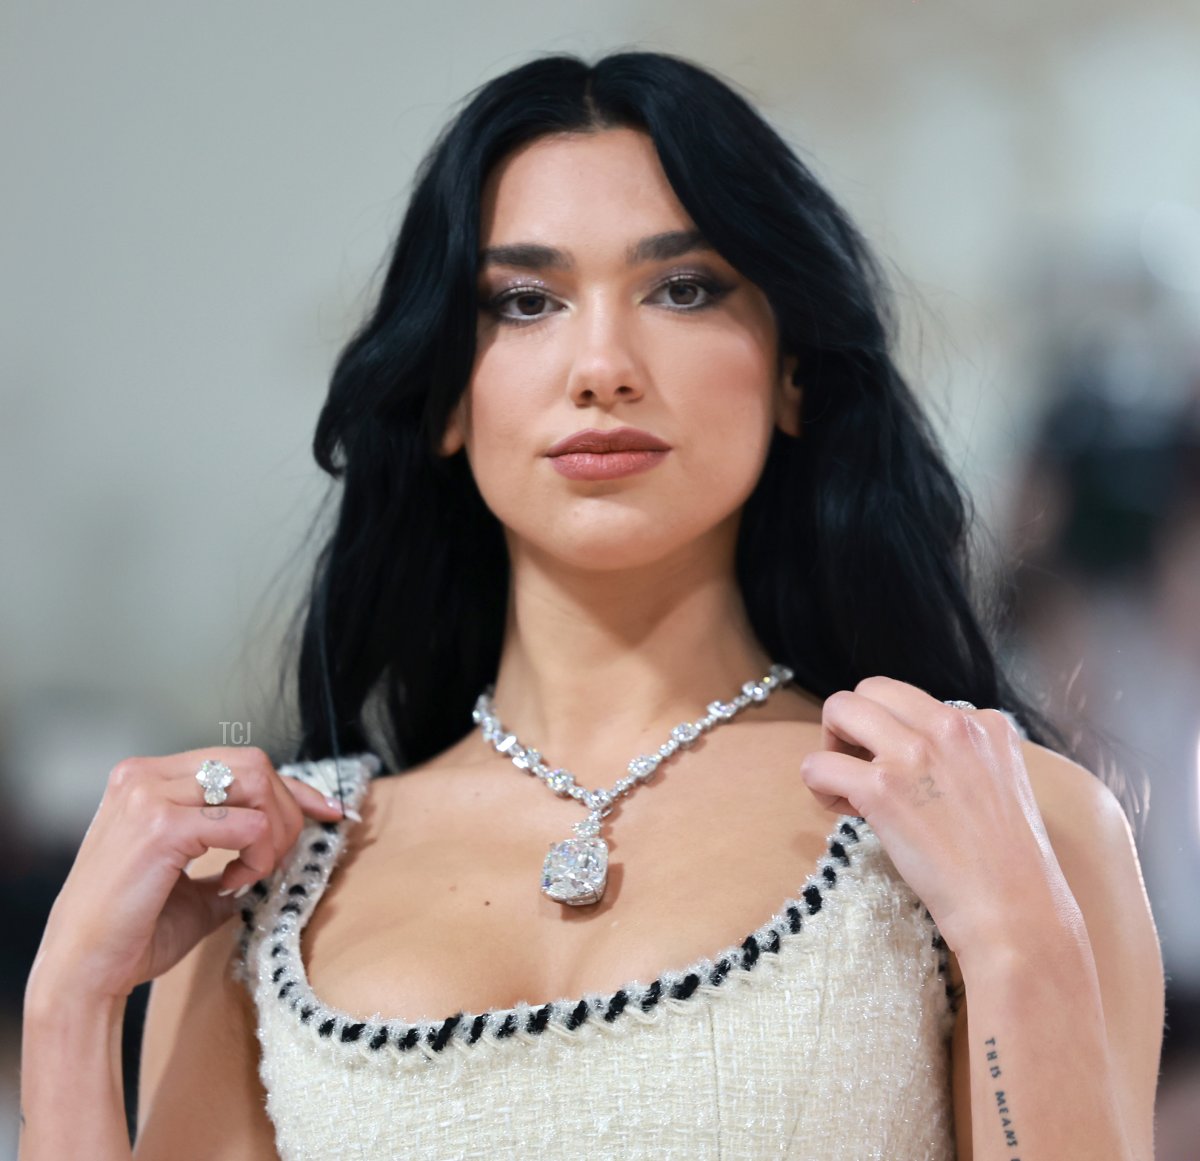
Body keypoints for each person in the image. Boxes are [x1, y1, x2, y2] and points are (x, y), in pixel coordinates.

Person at [21, 50, 1163, 1160]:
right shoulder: (262, 885)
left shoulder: (998, 822)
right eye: (524, 302)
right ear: (445, 401)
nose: (602, 364)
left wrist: (1018, 942)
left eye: (683, 287)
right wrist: (69, 1005)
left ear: (794, 373)